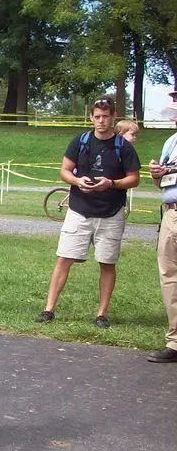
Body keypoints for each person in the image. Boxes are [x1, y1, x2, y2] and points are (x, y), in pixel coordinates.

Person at [35, 96, 140, 327]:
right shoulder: (80, 141)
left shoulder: (124, 146)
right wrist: (76, 180)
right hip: (79, 211)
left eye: (106, 116)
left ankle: (102, 313)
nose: (101, 121)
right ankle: (48, 309)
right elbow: (64, 170)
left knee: (107, 263)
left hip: (111, 213)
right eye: (97, 116)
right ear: (91, 117)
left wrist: (111, 183)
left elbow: (134, 179)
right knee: (64, 259)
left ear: (114, 117)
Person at [147, 131, 177, 362]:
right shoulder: (171, 140)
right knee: (169, 277)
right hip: (171, 212)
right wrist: (157, 173)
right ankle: (175, 342)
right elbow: (161, 183)